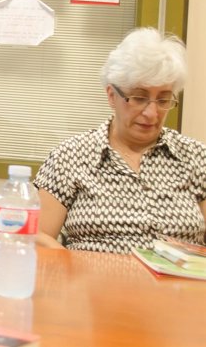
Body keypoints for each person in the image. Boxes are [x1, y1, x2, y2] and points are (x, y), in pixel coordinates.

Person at [35, 27, 206, 254]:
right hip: (93, 285)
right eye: (139, 98)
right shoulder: (70, 156)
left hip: (176, 286)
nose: (152, 113)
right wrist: (72, 267)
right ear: (111, 95)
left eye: (163, 100)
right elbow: (37, 235)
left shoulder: (195, 157)